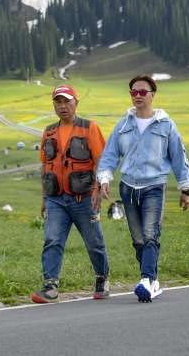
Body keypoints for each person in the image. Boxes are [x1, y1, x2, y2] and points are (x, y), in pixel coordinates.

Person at [96, 74, 189, 302]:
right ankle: (154, 283)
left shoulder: (167, 125)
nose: (137, 96)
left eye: (142, 92)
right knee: (138, 239)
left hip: (154, 187)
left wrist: (185, 189)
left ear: (152, 94)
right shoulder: (122, 125)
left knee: (151, 236)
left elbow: (179, 157)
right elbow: (110, 155)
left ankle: (146, 280)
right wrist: (104, 179)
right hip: (128, 188)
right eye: (133, 92)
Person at [31, 84, 110, 304]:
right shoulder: (49, 131)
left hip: (84, 196)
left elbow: (100, 162)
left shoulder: (89, 128)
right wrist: (44, 197)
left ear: (76, 103)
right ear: (54, 105)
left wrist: (97, 189)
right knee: (52, 240)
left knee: (94, 242)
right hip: (55, 197)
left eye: (67, 101)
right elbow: (45, 165)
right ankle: (50, 288)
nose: (63, 106)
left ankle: (102, 281)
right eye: (58, 101)